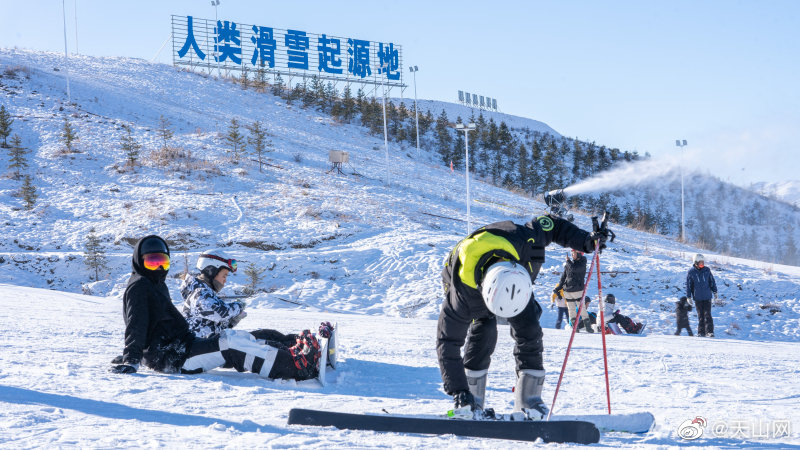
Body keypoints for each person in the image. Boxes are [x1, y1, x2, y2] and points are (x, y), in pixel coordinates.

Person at [437, 214, 610, 420]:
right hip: (469, 281)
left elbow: (552, 224)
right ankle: (469, 400)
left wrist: (585, 241)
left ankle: (530, 401)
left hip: (511, 280)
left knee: (529, 329)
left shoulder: (525, 239)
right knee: (484, 330)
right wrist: (458, 390)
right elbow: (447, 342)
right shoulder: (461, 296)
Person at [110, 235, 319, 381]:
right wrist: (132, 357)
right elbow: (136, 323)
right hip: (175, 357)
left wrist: (135, 353)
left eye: (163, 263)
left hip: (182, 347)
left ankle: (296, 350)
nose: (158, 268)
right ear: (139, 261)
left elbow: (152, 326)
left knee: (237, 338)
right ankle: (296, 367)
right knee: (231, 345)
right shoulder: (139, 287)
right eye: (152, 262)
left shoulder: (154, 285)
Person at [180, 249, 333, 353]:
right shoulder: (199, 293)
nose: (225, 281)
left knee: (267, 334)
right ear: (211, 270)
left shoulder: (204, 292)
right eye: (224, 275)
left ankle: (310, 343)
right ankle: (304, 353)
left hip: (215, 344)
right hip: (208, 349)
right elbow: (220, 313)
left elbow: (216, 324)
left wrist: (234, 321)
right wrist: (237, 306)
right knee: (263, 344)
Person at [553, 250, 592, 333]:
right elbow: (563, 277)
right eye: (571, 254)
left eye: (573, 253)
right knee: (571, 310)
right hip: (568, 290)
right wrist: (558, 288)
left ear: (579, 254)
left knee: (582, 308)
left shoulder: (582, 262)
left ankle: (588, 326)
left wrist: (568, 261)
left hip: (578, 290)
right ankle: (575, 327)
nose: (572, 255)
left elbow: (575, 269)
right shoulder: (569, 264)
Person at [686, 253, 717, 337]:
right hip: (698, 298)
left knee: (708, 314)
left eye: (703, 262)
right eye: (700, 262)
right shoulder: (691, 272)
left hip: (707, 297)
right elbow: (689, 285)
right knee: (701, 316)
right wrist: (688, 297)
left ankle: (709, 332)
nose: (702, 264)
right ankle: (701, 332)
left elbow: (712, 281)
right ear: (696, 262)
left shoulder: (707, 270)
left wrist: (715, 291)